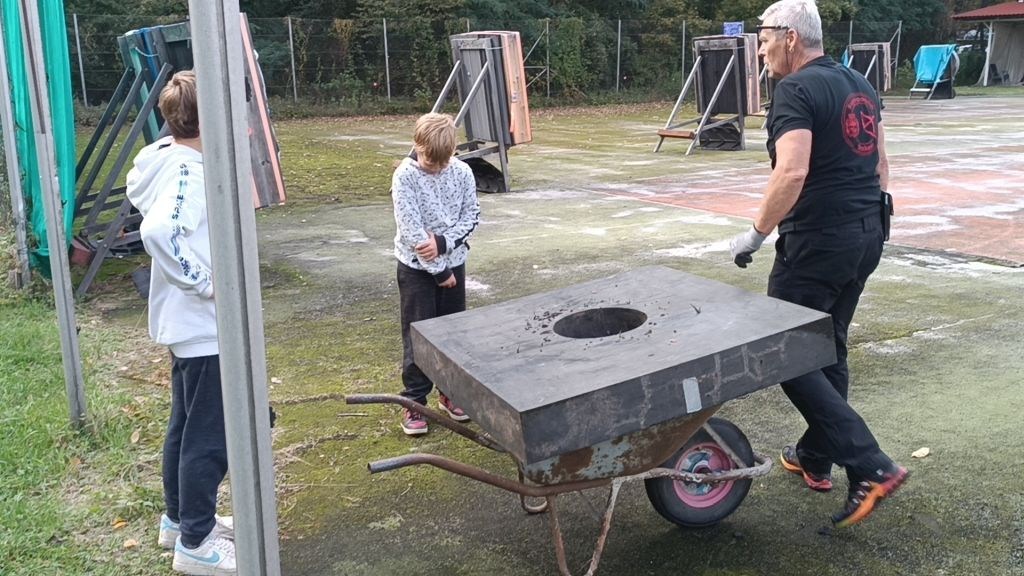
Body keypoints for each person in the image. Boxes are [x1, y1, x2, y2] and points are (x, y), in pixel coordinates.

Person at [728, 0, 908, 527]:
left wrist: (755, 235)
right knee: (828, 347)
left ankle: (872, 465)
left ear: (790, 37)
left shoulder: (796, 89)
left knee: (784, 352)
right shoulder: (859, 83)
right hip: (866, 232)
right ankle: (815, 456)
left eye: (764, 38)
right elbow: (881, 164)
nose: (760, 50)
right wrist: (864, 221)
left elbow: (791, 171)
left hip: (818, 243)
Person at [126, 70, 236, 574]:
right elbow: (161, 231)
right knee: (209, 438)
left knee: (185, 426)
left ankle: (179, 520)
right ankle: (196, 541)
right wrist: (208, 283)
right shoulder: (189, 171)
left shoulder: (165, 157)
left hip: (186, 327)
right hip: (204, 325)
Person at [392, 113, 481, 436]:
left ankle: (450, 392)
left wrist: (444, 243)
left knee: (453, 332)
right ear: (417, 145)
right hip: (417, 270)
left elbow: (472, 215)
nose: (437, 168)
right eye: (431, 161)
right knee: (419, 334)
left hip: (454, 260)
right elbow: (412, 232)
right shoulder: (405, 177)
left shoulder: (462, 172)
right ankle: (415, 401)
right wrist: (439, 271)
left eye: (444, 161)